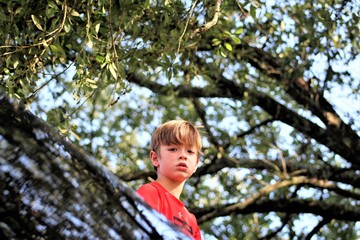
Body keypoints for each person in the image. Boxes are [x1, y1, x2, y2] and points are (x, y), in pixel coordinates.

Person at [137, 120, 202, 240]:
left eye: (190, 151)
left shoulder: (191, 221)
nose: (183, 155)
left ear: (196, 164)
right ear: (155, 158)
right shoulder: (150, 192)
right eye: (173, 149)